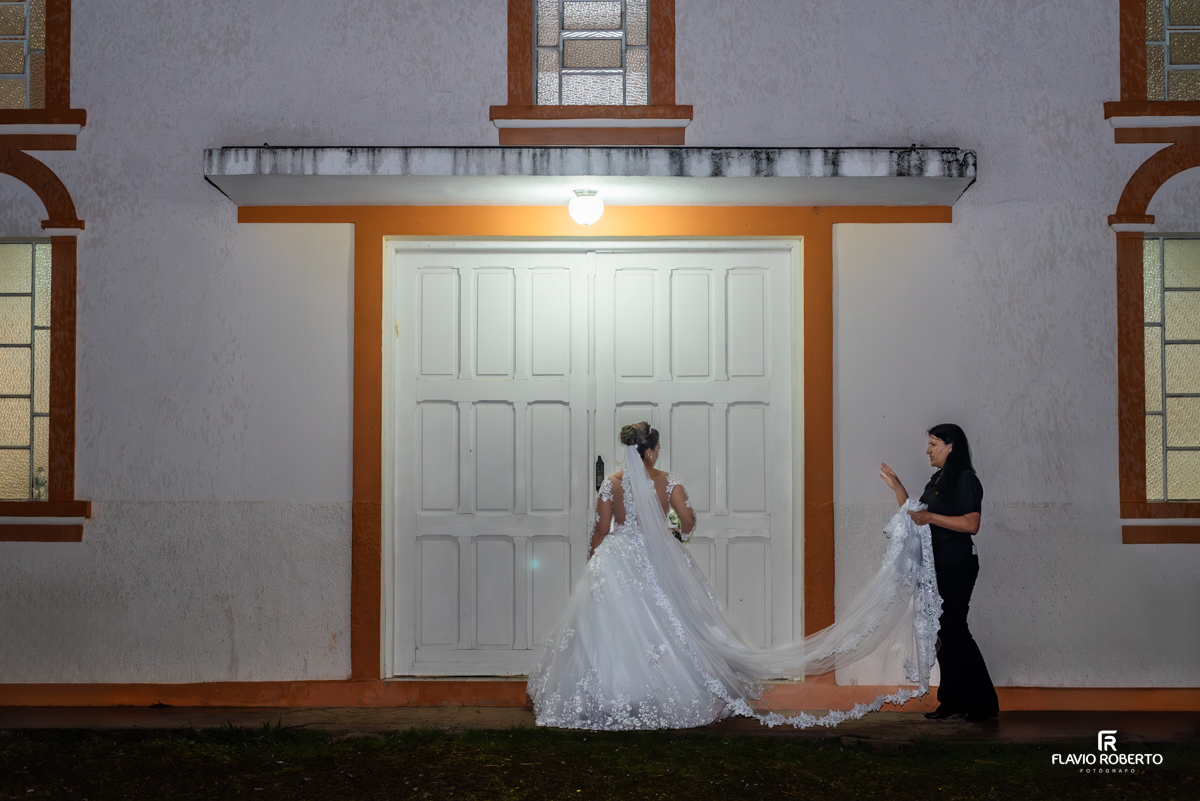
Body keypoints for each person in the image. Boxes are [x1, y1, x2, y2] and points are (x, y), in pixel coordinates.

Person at [527, 421, 944, 731]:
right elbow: (687, 523)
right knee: (671, 629)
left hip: (615, 560)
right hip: (656, 560)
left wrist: (593, 564)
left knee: (612, 631)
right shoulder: (667, 482)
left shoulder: (610, 486)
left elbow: (600, 531)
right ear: (651, 451)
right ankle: (660, 693)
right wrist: (669, 530)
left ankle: (606, 696)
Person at [879, 423, 1000, 722]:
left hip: (958, 564)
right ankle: (953, 701)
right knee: (942, 633)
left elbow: (972, 524)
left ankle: (984, 704)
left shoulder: (965, 479)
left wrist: (932, 516)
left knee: (955, 629)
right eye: (929, 444)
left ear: (951, 446)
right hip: (937, 565)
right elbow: (917, 517)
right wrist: (899, 488)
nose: (927, 450)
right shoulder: (938, 479)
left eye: (934, 444)